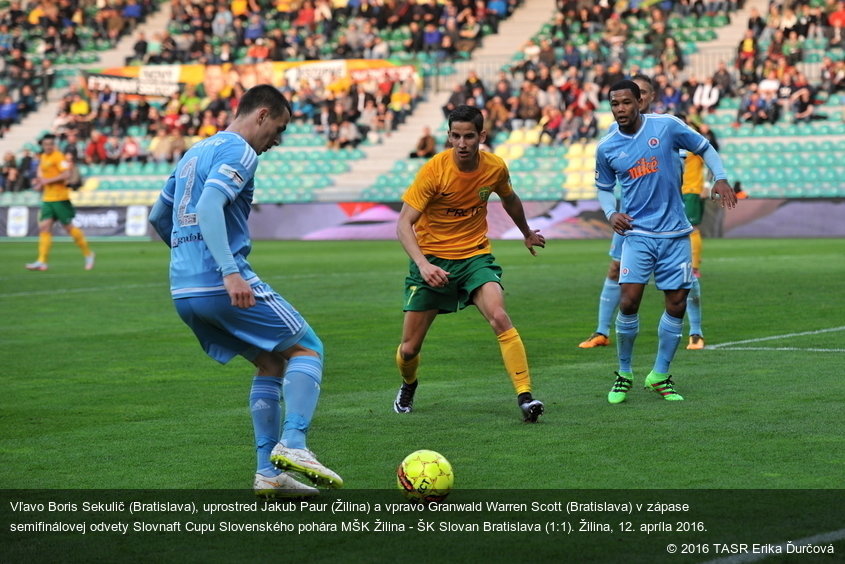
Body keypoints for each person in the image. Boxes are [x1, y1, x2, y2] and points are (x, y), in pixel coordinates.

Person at [148, 85, 342, 497]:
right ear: (262, 114)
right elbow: (208, 207)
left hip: (183, 290)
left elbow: (158, 216)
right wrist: (228, 270)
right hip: (221, 282)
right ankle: (295, 443)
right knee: (308, 348)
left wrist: (189, 258)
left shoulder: (194, 153)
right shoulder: (240, 151)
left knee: (271, 362)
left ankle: (268, 474)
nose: (278, 139)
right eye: (279, 128)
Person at [393, 105, 546, 423]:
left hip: (475, 256)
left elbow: (509, 198)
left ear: (482, 136)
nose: (462, 143)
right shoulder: (434, 171)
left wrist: (527, 232)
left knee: (500, 316)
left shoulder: (494, 168)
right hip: (431, 261)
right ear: (448, 136)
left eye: (469, 136)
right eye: (456, 136)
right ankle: (409, 384)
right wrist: (422, 265)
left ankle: (525, 397)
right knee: (409, 349)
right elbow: (404, 224)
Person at [595, 80, 736, 404]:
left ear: (639, 102)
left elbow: (704, 147)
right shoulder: (607, 147)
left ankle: (660, 374)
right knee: (628, 301)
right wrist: (609, 212)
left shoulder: (668, 127)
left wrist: (721, 177)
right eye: (615, 104)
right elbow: (604, 185)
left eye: (626, 102)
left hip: (675, 234)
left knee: (676, 304)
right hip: (638, 234)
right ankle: (624, 372)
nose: (621, 109)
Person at [578, 74, 656, 349]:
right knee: (615, 270)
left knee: (680, 278)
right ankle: (601, 331)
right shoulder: (612, 133)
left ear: (647, 97)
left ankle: (695, 331)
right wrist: (612, 211)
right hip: (630, 218)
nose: (639, 98)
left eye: (643, 93)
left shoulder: (665, 128)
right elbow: (605, 177)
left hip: (665, 218)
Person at [25, 134, 95, 271]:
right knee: (44, 227)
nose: (48, 147)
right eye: (45, 144)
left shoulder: (58, 157)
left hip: (60, 198)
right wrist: (40, 183)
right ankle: (42, 261)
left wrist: (47, 181)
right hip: (47, 198)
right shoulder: (44, 157)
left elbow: (66, 175)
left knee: (68, 228)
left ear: (54, 144)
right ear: (43, 145)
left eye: (50, 144)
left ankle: (88, 254)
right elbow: (44, 176)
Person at [680, 140, 706, 350]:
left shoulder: (692, 143)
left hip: (691, 189)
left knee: (692, 228)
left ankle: (694, 266)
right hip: (678, 191)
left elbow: (710, 147)